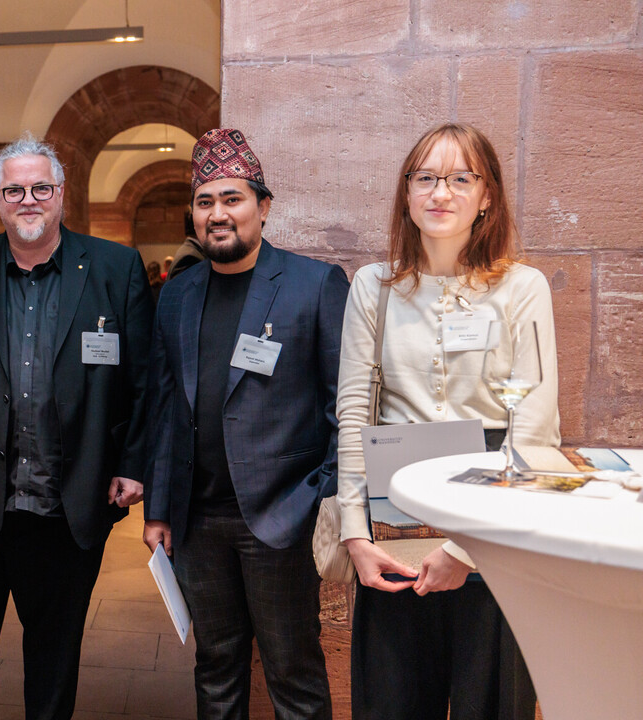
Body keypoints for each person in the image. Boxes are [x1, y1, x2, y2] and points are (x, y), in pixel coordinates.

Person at [0, 133, 153, 720]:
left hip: (66, 508)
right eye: (14, 189)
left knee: (52, 677)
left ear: (61, 195)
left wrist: (133, 463)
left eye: (40, 188)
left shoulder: (114, 268)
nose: (28, 199)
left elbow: (145, 380)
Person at [337, 123, 557, 720]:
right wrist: (355, 532)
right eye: (426, 177)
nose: (441, 192)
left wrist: (465, 549)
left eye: (461, 178)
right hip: (394, 525)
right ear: (406, 193)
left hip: (494, 530)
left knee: (494, 704)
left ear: (487, 196)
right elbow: (355, 413)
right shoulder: (372, 287)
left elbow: (535, 432)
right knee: (392, 704)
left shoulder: (523, 288)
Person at [143, 128, 346, 720]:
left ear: (263, 206)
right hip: (197, 522)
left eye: (232, 199)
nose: (218, 214)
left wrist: (323, 502)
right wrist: (157, 508)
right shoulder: (177, 295)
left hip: (281, 520)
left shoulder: (314, 284)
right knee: (216, 669)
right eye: (205, 203)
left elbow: (346, 405)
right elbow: (165, 410)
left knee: (293, 674)